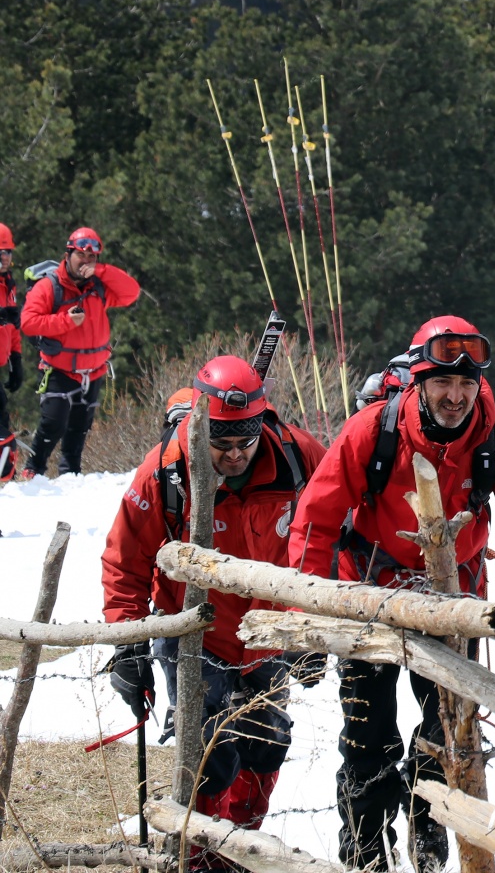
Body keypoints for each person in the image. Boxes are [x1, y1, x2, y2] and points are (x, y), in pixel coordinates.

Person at [290, 315, 495, 872]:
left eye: (467, 383)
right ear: (417, 382)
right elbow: (313, 523)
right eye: (442, 383)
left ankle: (428, 846)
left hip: (455, 610)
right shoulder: (372, 431)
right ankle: (365, 855)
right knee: (368, 742)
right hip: (369, 601)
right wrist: (307, 618)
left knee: (447, 743)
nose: (456, 396)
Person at [101, 356, 326, 860]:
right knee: (211, 752)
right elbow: (125, 562)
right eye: (220, 444)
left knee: (267, 743)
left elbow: (328, 535)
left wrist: (312, 629)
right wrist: (128, 645)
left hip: (270, 631)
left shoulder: (297, 455)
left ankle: (239, 853)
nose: (234, 455)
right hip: (194, 632)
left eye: (244, 443)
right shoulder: (163, 473)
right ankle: (198, 855)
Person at [18, 228, 140, 479]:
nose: (86, 262)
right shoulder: (50, 286)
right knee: (53, 424)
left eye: (91, 258)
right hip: (60, 370)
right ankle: (33, 470)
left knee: (79, 429)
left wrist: (102, 271)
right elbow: (28, 322)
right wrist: (65, 322)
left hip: (93, 372)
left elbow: (131, 293)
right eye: (81, 256)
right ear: (68, 254)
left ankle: (70, 477)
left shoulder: (98, 285)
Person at [0, 224, 21, 483]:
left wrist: (16, 360)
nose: (5, 259)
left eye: (8, 252)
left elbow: (13, 328)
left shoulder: (8, 284)